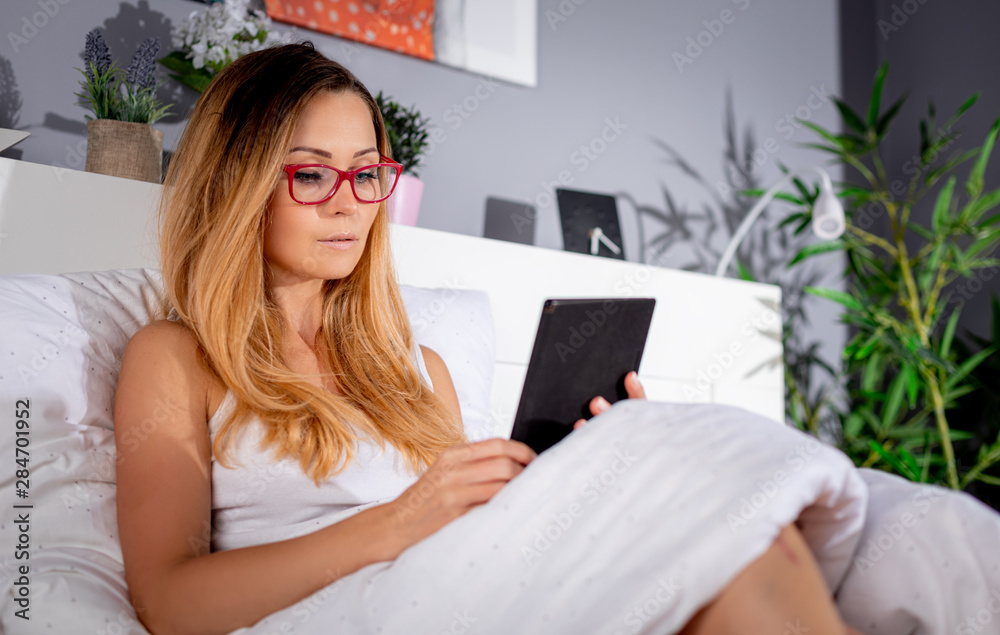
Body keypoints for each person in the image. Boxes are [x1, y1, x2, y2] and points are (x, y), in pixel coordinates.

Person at [113, 42, 862, 634]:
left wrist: (578, 461)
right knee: (724, 553)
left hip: (462, 595)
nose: (350, 204)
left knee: (741, 537)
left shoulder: (415, 371)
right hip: (342, 613)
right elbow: (171, 604)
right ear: (235, 184)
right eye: (312, 176)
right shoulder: (176, 359)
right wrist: (397, 522)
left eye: (368, 174)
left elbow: (474, 539)